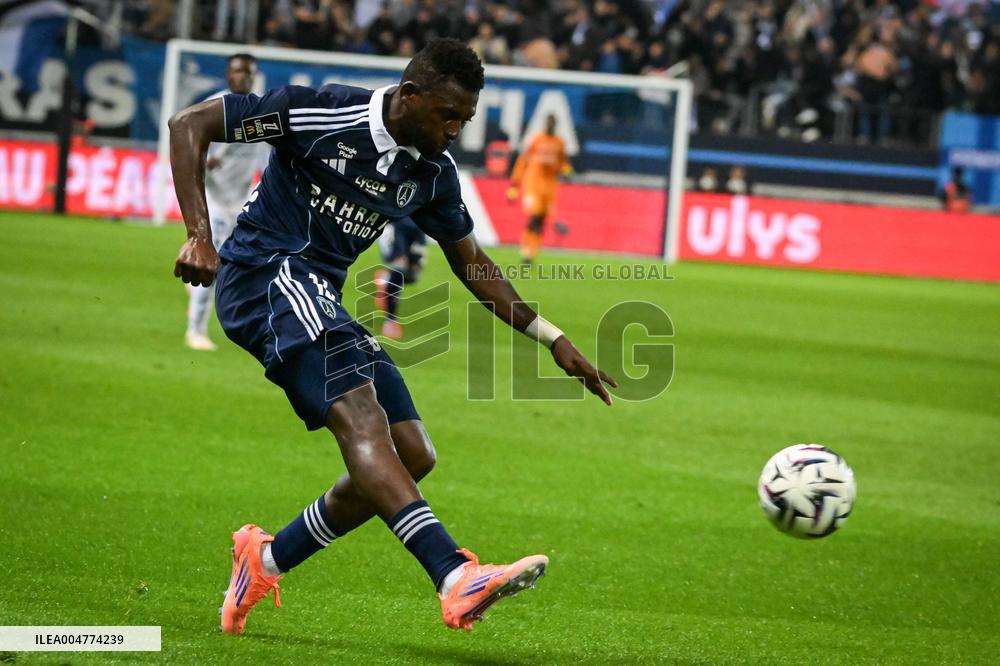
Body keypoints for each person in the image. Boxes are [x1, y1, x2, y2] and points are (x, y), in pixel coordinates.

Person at [169, 38, 616, 635]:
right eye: (448, 114)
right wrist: (200, 233)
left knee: (413, 453)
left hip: (317, 296)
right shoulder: (319, 112)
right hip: (262, 275)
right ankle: (455, 575)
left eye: (466, 119)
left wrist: (551, 336)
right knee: (362, 417)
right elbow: (189, 123)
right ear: (409, 96)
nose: (456, 129)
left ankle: (265, 559)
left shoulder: (431, 172)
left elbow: (472, 262)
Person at [184, 53, 263, 351]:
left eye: (247, 72)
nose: (242, 76)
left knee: (248, 265)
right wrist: (206, 162)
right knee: (212, 265)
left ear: (254, 75)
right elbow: (189, 151)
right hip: (214, 201)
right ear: (228, 75)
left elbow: (265, 154)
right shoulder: (214, 109)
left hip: (243, 200)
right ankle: (195, 330)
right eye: (236, 72)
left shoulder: (260, 110)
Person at [507, 114, 571, 264]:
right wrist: (514, 185)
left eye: (552, 123)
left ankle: (532, 253)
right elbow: (523, 161)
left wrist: (567, 170)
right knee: (534, 217)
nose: (550, 126)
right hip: (533, 183)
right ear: (544, 124)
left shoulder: (559, 142)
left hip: (549, 187)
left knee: (541, 220)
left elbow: (562, 162)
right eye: (548, 123)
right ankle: (526, 249)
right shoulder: (536, 140)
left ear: (555, 125)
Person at [373, 217, 427, 339]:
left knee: (412, 277)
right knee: (398, 271)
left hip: (419, 225)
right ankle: (390, 320)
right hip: (397, 223)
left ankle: (385, 279)